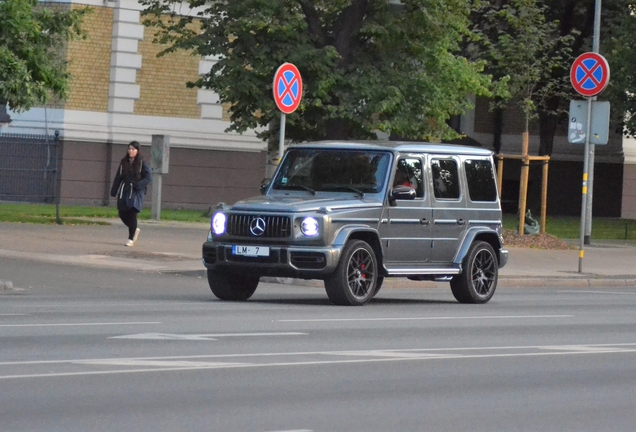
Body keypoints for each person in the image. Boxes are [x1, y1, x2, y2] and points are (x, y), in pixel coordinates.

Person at [110, 141, 152, 246]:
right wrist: (114, 190)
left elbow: (148, 178)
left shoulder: (142, 162)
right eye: (129, 149)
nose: (131, 151)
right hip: (125, 190)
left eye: (133, 149)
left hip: (136, 191)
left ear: (137, 151)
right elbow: (118, 177)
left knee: (132, 212)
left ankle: (130, 238)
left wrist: (138, 185)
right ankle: (134, 229)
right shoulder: (124, 162)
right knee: (122, 212)